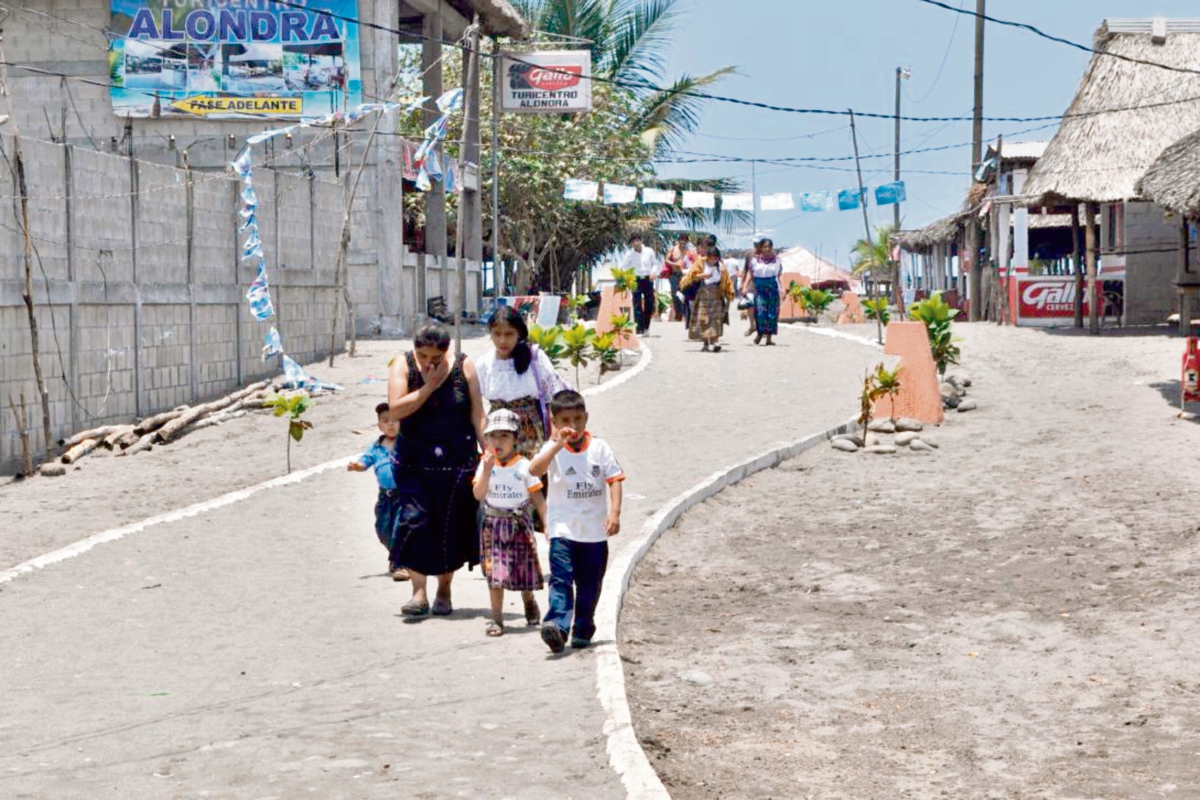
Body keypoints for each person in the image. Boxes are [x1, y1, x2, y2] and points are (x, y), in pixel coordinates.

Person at [387, 323, 486, 617]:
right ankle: (418, 592)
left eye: (435, 357)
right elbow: (396, 409)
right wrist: (429, 385)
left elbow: (477, 412)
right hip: (415, 460)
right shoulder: (402, 365)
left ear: (446, 351)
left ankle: (444, 590)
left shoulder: (464, 365)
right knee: (415, 521)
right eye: (423, 355)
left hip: (458, 459)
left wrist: (490, 451)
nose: (429, 362)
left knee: (451, 525)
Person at [528, 390, 624, 653]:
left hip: (594, 532)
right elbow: (534, 471)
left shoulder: (600, 447)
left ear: (587, 418)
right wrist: (557, 444)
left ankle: (583, 628)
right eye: (566, 420)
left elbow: (614, 479)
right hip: (563, 529)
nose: (574, 425)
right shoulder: (553, 449)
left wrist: (614, 513)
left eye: (578, 418)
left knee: (590, 584)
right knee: (561, 578)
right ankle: (557, 626)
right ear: (555, 422)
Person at [473, 408, 547, 638]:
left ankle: (528, 600)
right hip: (493, 525)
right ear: (486, 439)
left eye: (505, 436)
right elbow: (478, 494)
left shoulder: (525, 466)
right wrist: (486, 470)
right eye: (493, 436)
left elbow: (538, 500)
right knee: (495, 575)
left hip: (518, 524)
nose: (498, 441)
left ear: (516, 439)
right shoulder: (485, 465)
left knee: (522, 570)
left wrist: (547, 526)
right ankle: (496, 618)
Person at [475, 306, 570, 462]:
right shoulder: (484, 364)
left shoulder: (535, 358)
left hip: (530, 432)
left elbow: (554, 398)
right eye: (497, 334)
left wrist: (554, 435)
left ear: (519, 333)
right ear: (490, 333)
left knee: (531, 479)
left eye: (509, 334)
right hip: (497, 434)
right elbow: (477, 409)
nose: (502, 340)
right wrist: (484, 443)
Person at [347, 402, 410, 582]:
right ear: (379, 425)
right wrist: (357, 466)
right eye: (385, 421)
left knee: (400, 528)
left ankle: (401, 564)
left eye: (395, 420)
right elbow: (364, 461)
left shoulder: (406, 444)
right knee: (382, 529)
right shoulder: (375, 448)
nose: (390, 424)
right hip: (385, 497)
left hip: (404, 495)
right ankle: (396, 554)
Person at [681, 238, 735, 353]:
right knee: (703, 319)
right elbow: (691, 277)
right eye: (712, 257)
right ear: (708, 256)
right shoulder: (700, 263)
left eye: (716, 257)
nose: (714, 259)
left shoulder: (721, 267)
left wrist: (729, 294)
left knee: (716, 320)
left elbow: (727, 281)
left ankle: (715, 342)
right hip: (703, 296)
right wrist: (702, 276)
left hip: (716, 297)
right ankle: (705, 343)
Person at [743, 237, 784, 346]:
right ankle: (759, 334)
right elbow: (750, 274)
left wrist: (782, 288)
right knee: (760, 312)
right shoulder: (755, 260)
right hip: (759, 287)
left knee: (772, 313)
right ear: (760, 248)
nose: (767, 249)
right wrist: (745, 286)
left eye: (769, 247)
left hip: (772, 288)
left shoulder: (777, 260)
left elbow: (779, 276)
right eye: (765, 247)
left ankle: (769, 338)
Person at [620, 233, 658, 336]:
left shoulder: (649, 251)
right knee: (637, 304)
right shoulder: (629, 254)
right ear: (631, 243)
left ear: (641, 241)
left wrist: (653, 272)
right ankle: (639, 329)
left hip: (648, 278)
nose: (636, 243)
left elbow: (654, 263)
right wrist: (627, 278)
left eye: (637, 240)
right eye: (633, 242)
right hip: (635, 279)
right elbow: (624, 267)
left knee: (649, 303)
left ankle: (646, 327)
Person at [664, 233, 695, 323]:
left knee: (684, 294)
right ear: (678, 240)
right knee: (674, 293)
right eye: (681, 239)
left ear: (687, 241)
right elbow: (666, 260)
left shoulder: (688, 251)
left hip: (684, 275)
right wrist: (675, 264)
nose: (683, 241)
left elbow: (692, 262)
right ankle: (679, 313)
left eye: (685, 240)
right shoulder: (673, 249)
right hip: (674, 274)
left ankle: (683, 314)